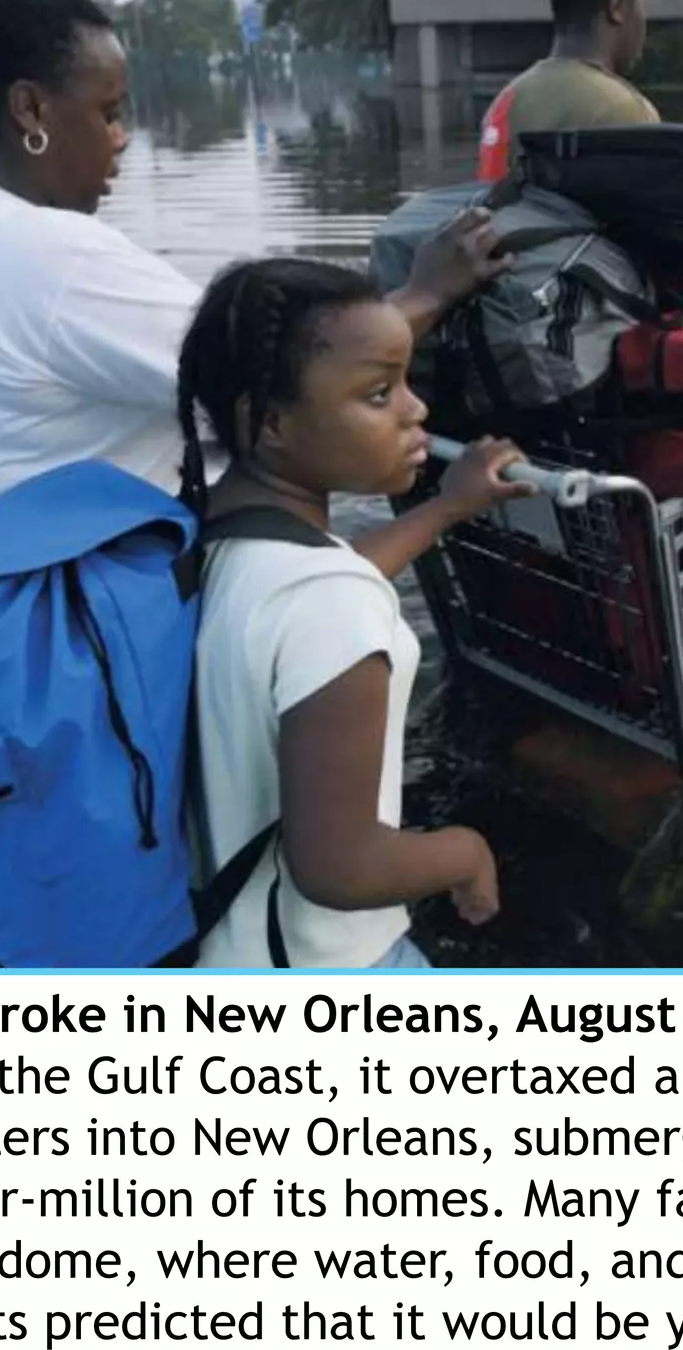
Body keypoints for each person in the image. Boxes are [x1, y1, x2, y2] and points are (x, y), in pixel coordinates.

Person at [0, 0, 504, 615]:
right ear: (30, 110)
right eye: (107, 112)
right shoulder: (45, 254)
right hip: (69, 648)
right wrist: (428, 290)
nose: (121, 137)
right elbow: (290, 363)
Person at [176, 258, 533, 967]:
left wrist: (448, 506)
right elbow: (339, 866)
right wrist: (467, 854)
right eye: (378, 394)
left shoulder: (208, 538)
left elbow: (318, 596)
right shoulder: (331, 603)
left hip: (212, 947)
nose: (416, 409)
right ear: (270, 422)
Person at [476, 0, 658, 181]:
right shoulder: (625, 109)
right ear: (618, 6)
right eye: (641, 7)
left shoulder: (505, 101)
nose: (644, 22)